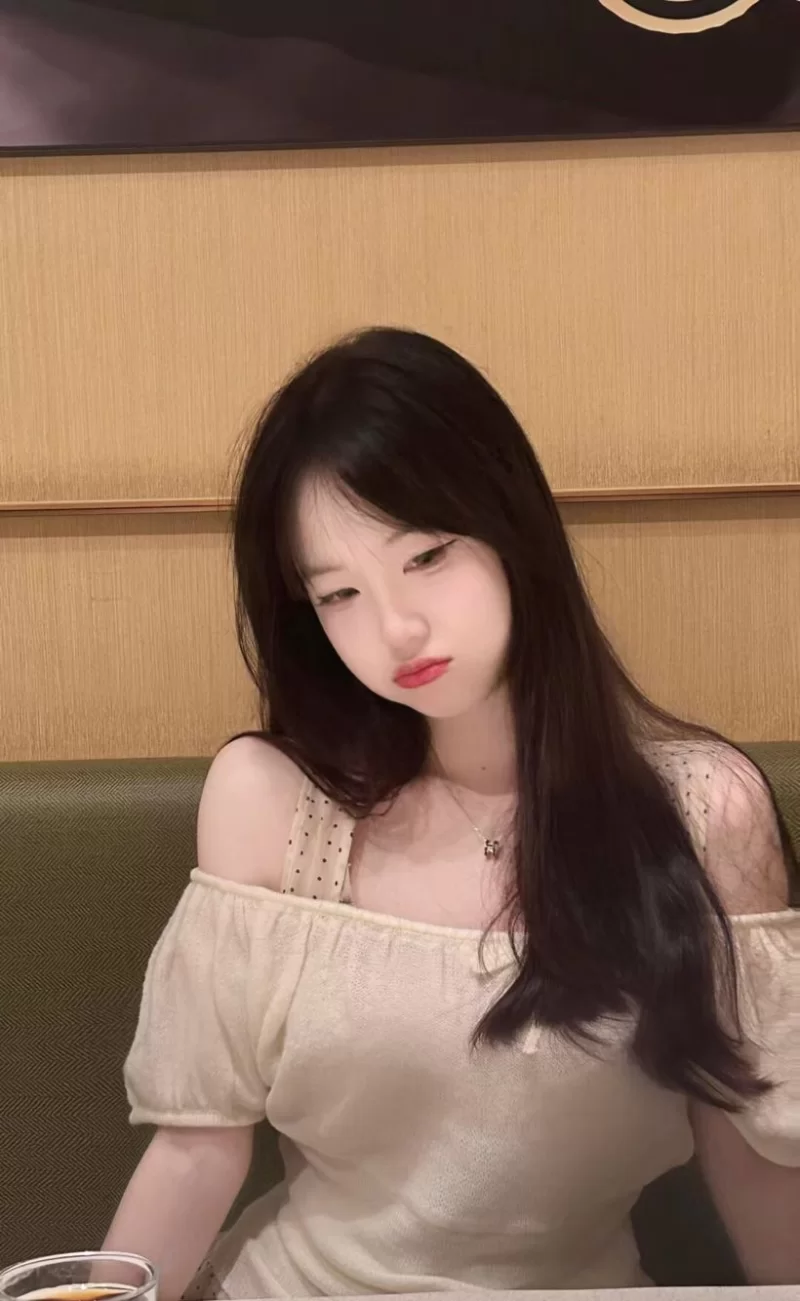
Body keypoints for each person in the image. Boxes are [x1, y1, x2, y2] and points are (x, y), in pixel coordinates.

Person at [104, 327, 799, 1297]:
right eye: (339, 593)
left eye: (427, 555)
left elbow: (753, 1151)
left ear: (511, 525)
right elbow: (194, 1151)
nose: (396, 628)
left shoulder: (703, 811)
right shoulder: (272, 804)